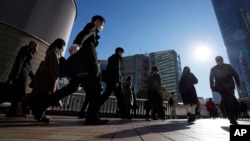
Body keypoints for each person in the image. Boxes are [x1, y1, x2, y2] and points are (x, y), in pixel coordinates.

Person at [30, 15, 108, 125]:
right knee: (95, 90)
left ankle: (39, 105)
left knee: (69, 89)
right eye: (102, 24)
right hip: (87, 69)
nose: (102, 27)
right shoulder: (92, 27)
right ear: (98, 22)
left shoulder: (94, 36)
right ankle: (92, 117)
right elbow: (84, 33)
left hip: (81, 69)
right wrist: (77, 44)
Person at [17, 38, 66, 122]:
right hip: (48, 76)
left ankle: (37, 113)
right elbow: (54, 62)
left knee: (41, 94)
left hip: (44, 75)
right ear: (60, 45)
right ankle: (24, 103)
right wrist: (55, 74)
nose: (63, 48)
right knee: (46, 95)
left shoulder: (50, 49)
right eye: (63, 46)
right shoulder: (55, 50)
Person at [5, 41, 39, 117]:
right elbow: (20, 62)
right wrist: (15, 75)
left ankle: (13, 111)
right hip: (20, 75)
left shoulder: (29, 52)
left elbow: (27, 67)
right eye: (37, 47)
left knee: (18, 94)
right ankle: (14, 111)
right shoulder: (26, 50)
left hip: (22, 75)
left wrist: (34, 77)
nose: (38, 49)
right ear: (33, 45)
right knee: (19, 94)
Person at [210, 56, 241, 125]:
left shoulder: (213, 69)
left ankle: (231, 116)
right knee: (230, 101)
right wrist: (238, 83)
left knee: (227, 101)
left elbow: (211, 79)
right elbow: (235, 75)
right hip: (228, 87)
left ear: (216, 61)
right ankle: (232, 116)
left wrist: (212, 88)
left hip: (222, 88)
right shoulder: (228, 66)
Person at [99, 47, 126, 119]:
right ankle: (123, 114)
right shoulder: (116, 58)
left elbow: (110, 69)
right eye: (122, 53)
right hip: (115, 82)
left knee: (105, 96)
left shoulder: (111, 58)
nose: (122, 55)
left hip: (110, 81)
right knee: (120, 98)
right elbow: (116, 70)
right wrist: (117, 81)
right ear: (119, 52)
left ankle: (94, 110)